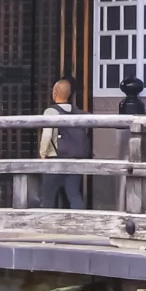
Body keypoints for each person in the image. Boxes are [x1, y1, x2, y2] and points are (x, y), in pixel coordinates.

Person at [35, 78, 91, 209]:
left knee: (48, 195)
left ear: (55, 92)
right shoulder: (78, 112)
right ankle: (80, 222)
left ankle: (45, 224)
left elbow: (47, 135)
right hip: (75, 158)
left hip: (55, 158)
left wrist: (42, 154)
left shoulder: (51, 111)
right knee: (74, 195)